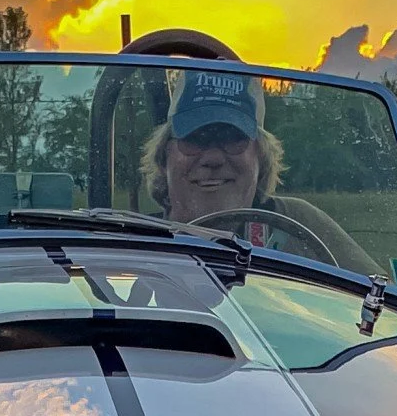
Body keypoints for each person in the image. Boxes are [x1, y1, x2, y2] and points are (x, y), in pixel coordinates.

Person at [138, 70, 379, 275]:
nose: (212, 158)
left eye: (232, 138)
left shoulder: (299, 224)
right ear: (164, 155)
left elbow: (386, 307)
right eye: (194, 139)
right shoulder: (132, 238)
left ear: (261, 157)